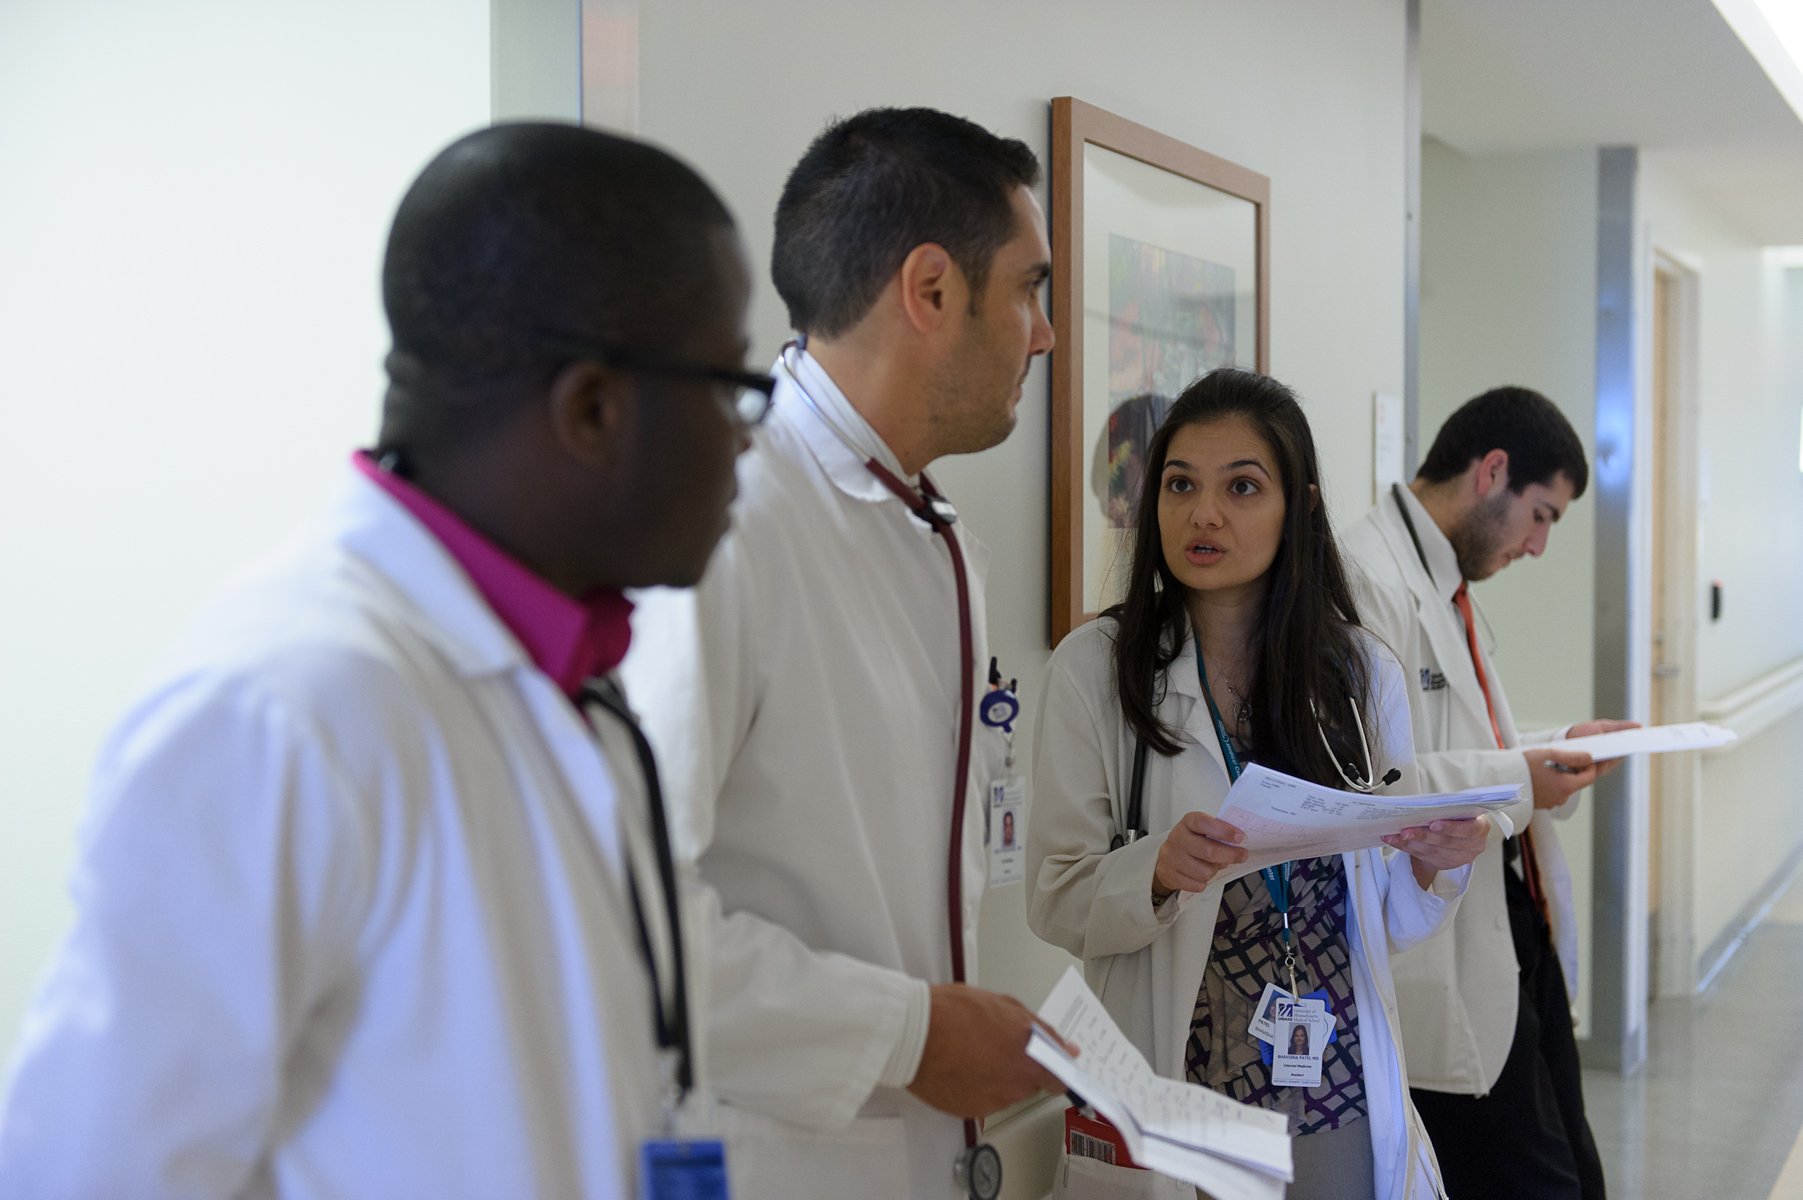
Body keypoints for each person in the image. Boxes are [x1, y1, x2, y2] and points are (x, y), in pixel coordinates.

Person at [0, 123, 760, 1197]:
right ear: (593, 408)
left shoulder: (565, 685)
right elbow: (90, 1174)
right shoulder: (285, 705)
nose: (745, 435)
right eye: (729, 385)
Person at [622, 106, 1064, 1199]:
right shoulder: (724, 522)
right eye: (1030, 289)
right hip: (769, 1159)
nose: (1045, 335)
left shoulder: (928, 528)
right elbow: (620, 920)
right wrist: (908, 1036)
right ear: (931, 290)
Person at [1027, 369, 1489, 1200]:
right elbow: (1054, 896)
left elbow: (1379, 920)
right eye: (1179, 485)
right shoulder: (1093, 670)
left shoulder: (1358, 674)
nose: (1203, 514)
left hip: (1332, 1085)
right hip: (1176, 1092)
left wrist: (1431, 865)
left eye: (1240, 487)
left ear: (1298, 506)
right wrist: (1154, 872)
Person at [1340, 385, 1636, 1200]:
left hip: (1506, 924)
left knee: (1574, 1165)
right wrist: (1518, 776)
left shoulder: (1441, 582)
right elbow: (1371, 786)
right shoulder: (1368, 580)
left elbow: (1453, 744)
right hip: (1440, 931)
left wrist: (1550, 751)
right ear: (1492, 470)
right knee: (1540, 1179)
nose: (1537, 546)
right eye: (1539, 515)